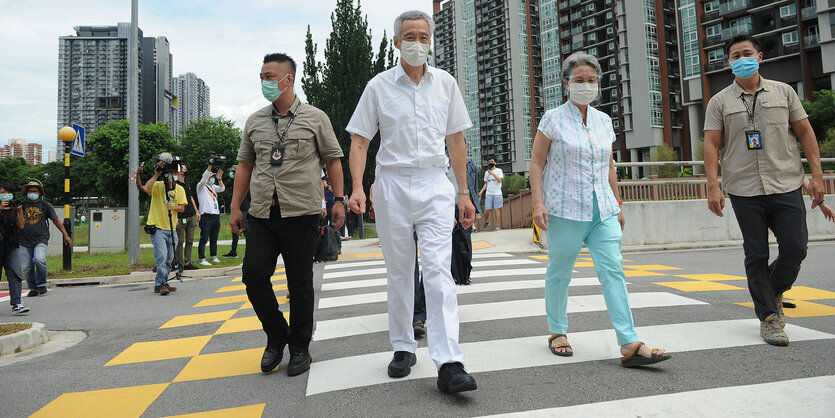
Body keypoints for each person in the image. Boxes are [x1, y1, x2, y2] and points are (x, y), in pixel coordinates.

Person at [347, 10, 478, 394]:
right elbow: (359, 140)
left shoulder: (446, 84)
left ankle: (449, 360)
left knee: (439, 270)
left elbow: (456, 139)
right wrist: (357, 186)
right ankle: (403, 346)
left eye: (423, 36)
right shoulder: (379, 86)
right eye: (409, 36)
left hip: (435, 183)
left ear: (431, 41)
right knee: (400, 271)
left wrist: (463, 191)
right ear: (395, 42)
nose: (416, 42)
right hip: (392, 184)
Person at [530, 52, 670, 367]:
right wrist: (538, 203)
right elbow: (537, 163)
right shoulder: (553, 119)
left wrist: (616, 203)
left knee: (613, 271)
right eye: (579, 80)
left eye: (591, 80)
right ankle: (557, 331)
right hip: (565, 209)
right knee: (560, 272)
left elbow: (609, 165)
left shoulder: (604, 121)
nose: (585, 85)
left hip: (602, 210)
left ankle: (629, 342)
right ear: (566, 82)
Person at [704, 35, 825, 346]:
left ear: (759, 57)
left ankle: (771, 290)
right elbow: (712, 145)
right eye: (735, 55)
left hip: (785, 183)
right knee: (756, 253)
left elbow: (805, 133)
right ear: (728, 62)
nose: (741, 58)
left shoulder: (784, 93)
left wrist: (817, 176)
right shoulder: (719, 101)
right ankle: (770, 317)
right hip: (744, 189)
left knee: (796, 248)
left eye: (747, 53)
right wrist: (713, 186)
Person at [231, 52, 345, 377]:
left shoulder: (315, 118)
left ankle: (299, 347)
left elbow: (333, 158)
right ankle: (276, 333)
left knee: (299, 285)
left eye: (269, 76)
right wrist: (236, 206)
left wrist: (338, 199)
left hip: (302, 214)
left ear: (287, 79)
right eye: (262, 76)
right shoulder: (254, 121)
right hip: (262, 214)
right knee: (253, 276)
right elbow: (244, 165)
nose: (265, 82)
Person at [138, 153, 187, 295]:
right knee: (162, 258)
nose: (174, 175)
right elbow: (146, 189)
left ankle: (161, 283)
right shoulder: (158, 185)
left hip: (172, 228)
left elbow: (182, 208)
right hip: (158, 228)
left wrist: (174, 208)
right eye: (172, 172)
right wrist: (158, 173)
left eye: (175, 172)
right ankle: (162, 284)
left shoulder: (180, 189)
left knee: (170, 259)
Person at [18, 180, 72, 297]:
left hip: (41, 238)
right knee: (27, 266)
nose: (33, 193)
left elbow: (56, 220)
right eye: (30, 191)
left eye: (35, 191)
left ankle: (41, 284)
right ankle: (33, 288)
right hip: (23, 240)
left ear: (39, 193)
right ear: (26, 193)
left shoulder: (45, 205)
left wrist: (65, 234)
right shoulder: (21, 206)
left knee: (39, 259)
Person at [1, 183, 29, 315]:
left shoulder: (14, 206)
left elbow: (21, 226)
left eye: (8, 192)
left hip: (12, 246)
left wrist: (18, 211)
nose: (5, 195)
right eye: (2, 192)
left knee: (15, 274)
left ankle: (17, 304)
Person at [196, 160, 225, 266]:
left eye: (213, 177)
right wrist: (210, 165)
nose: (212, 178)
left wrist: (219, 179)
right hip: (206, 216)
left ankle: (214, 256)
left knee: (214, 238)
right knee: (204, 238)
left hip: (215, 216)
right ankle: (202, 258)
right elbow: (204, 178)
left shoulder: (213, 187)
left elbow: (222, 188)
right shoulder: (200, 186)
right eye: (211, 176)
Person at [174, 164, 200, 271]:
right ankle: (179, 263)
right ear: (179, 171)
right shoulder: (175, 185)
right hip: (180, 217)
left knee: (190, 240)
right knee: (180, 241)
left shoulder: (187, 184)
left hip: (191, 215)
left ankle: (187, 262)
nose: (186, 171)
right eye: (185, 169)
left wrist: (196, 211)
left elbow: (191, 197)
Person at [224, 166, 250, 259]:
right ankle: (233, 251)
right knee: (235, 232)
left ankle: (250, 252)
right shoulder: (234, 183)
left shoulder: (246, 183)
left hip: (245, 209)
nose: (232, 174)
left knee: (247, 231)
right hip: (237, 209)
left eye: (233, 172)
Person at [478, 157, 503, 231]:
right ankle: (486, 222)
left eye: (492, 161)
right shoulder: (486, 173)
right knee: (487, 210)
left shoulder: (499, 170)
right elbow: (486, 183)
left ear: (495, 163)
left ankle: (497, 225)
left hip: (497, 192)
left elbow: (499, 180)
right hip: (489, 193)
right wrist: (481, 191)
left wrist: (492, 173)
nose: (491, 163)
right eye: (489, 162)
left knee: (496, 210)